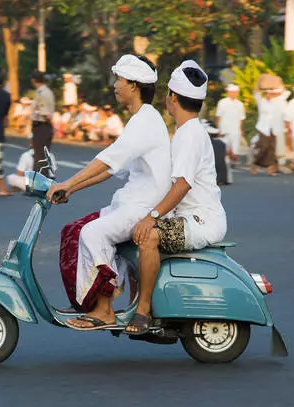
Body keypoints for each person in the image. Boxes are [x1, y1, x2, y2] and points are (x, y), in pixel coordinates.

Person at [47, 54, 171, 330]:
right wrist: (73, 188)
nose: (115, 85)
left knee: (93, 233)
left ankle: (104, 310)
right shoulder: (141, 119)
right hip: (129, 202)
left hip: (143, 207)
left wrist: (67, 183)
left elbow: (108, 159)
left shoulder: (145, 121)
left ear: (134, 86)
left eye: (120, 80)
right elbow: (112, 169)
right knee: (73, 229)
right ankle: (88, 302)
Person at [125, 60, 227, 334]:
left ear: (173, 98)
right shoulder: (188, 132)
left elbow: (182, 186)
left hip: (200, 221)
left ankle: (143, 311)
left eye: (167, 95)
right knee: (133, 228)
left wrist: (152, 216)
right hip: (191, 217)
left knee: (148, 235)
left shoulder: (189, 135)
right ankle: (138, 303)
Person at [29, 70, 55, 176]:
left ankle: (40, 185)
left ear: (33, 80)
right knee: (41, 155)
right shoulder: (44, 91)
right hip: (43, 125)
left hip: (42, 125)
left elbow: (45, 113)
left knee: (40, 156)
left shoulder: (42, 93)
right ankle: (40, 184)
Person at [216, 84, 245, 163]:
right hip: (224, 128)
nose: (233, 94)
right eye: (232, 92)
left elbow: (241, 118)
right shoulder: (222, 102)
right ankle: (225, 163)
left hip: (236, 129)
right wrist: (218, 129)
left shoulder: (240, 104)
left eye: (235, 92)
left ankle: (233, 162)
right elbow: (218, 116)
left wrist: (241, 130)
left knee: (235, 148)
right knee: (225, 147)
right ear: (229, 92)